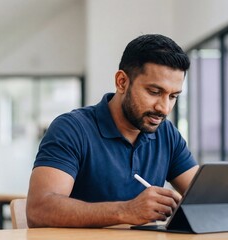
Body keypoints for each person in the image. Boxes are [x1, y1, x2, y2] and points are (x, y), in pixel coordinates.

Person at [26, 34, 199, 228]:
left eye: (173, 96)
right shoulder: (71, 129)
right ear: (122, 82)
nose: (164, 108)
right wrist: (126, 210)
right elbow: (39, 210)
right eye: (154, 92)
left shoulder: (167, 134)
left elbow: (205, 196)